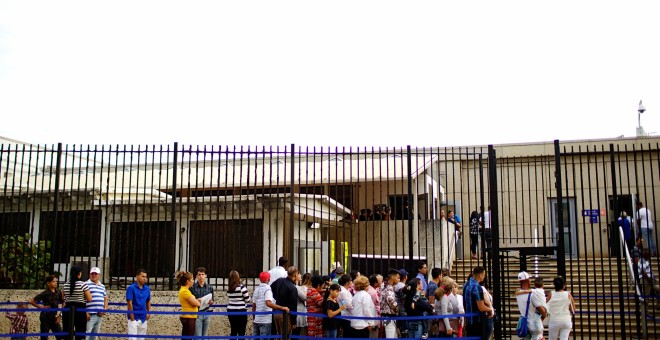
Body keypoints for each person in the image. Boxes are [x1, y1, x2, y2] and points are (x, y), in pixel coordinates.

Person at [253, 271, 289, 338]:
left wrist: (254, 318)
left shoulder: (256, 289)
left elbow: (254, 305)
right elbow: (268, 303)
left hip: (257, 320)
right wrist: (282, 308)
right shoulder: (268, 289)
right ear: (267, 279)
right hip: (265, 320)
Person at [29, 275, 65, 340]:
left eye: (56, 281)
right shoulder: (45, 293)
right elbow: (32, 301)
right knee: (44, 337)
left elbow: (64, 302)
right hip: (45, 317)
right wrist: (40, 307)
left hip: (54, 317)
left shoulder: (58, 292)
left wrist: (60, 315)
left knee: (61, 336)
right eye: (53, 281)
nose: (55, 283)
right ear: (48, 283)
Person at [62, 265, 92, 340]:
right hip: (80, 310)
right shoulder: (83, 284)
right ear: (79, 273)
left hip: (68, 310)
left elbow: (63, 298)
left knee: (67, 332)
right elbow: (89, 299)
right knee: (80, 332)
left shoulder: (65, 285)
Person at [463, 266, 493, 339]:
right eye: (484, 275)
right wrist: (490, 310)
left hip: (469, 320)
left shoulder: (466, 284)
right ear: (480, 275)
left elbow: (464, 302)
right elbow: (481, 307)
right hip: (477, 321)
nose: (484, 277)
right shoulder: (477, 287)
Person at [515, 272, 547, 340]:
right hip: (534, 324)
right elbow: (543, 312)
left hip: (525, 325)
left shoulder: (518, 294)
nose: (530, 280)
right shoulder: (532, 295)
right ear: (527, 280)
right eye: (529, 279)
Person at [271, 266, 300, 336]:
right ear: (295, 274)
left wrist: (276, 297)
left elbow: (271, 287)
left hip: (276, 312)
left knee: (279, 335)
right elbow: (293, 305)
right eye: (299, 274)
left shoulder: (279, 280)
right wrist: (294, 321)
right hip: (286, 315)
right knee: (285, 336)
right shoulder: (292, 288)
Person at [126, 269, 151, 340]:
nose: (144, 278)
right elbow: (129, 302)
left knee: (141, 338)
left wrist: (148, 312)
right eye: (142, 276)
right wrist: (132, 316)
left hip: (143, 316)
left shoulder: (147, 288)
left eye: (145, 277)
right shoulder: (131, 288)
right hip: (134, 317)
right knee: (132, 338)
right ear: (137, 277)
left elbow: (148, 300)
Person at [176, 271, 201, 340]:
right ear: (188, 281)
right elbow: (197, 304)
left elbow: (192, 301)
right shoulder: (185, 291)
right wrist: (196, 301)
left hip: (189, 316)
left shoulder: (185, 290)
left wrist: (195, 299)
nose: (193, 281)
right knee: (188, 338)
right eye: (192, 279)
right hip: (189, 316)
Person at [85, 267, 108, 340]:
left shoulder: (102, 286)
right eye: (92, 273)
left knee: (94, 336)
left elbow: (105, 298)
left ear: (99, 275)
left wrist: (104, 309)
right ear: (89, 275)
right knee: (87, 335)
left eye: (96, 274)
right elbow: (82, 299)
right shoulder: (86, 284)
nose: (94, 275)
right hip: (90, 315)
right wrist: (86, 312)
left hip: (99, 314)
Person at [190, 267, 213, 338]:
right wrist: (197, 300)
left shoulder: (210, 288)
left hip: (207, 313)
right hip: (197, 313)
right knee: (198, 336)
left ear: (206, 275)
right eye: (199, 275)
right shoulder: (192, 287)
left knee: (205, 336)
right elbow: (190, 301)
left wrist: (211, 301)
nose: (201, 277)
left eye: (203, 274)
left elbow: (212, 300)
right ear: (196, 276)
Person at [227, 270, 251, 337]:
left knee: (233, 330)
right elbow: (248, 299)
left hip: (231, 310)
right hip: (241, 311)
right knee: (241, 331)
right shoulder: (241, 287)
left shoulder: (229, 288)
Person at [379, 269, 400, 339]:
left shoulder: (384, 286)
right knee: (390, 336)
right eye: (398, 277)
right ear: (393, 277)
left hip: (386, 316)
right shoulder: (389, 287)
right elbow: (390, 300)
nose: (399, 280)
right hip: (389, 316)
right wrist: (396, 307)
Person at [337, 274, 354, 338]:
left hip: (348, 315)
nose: (352, 282)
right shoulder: (343, 292)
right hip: (345, 316)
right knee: (347, 334)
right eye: (351, 281)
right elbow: (348, 304)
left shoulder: (346, 290)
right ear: (347, 283)